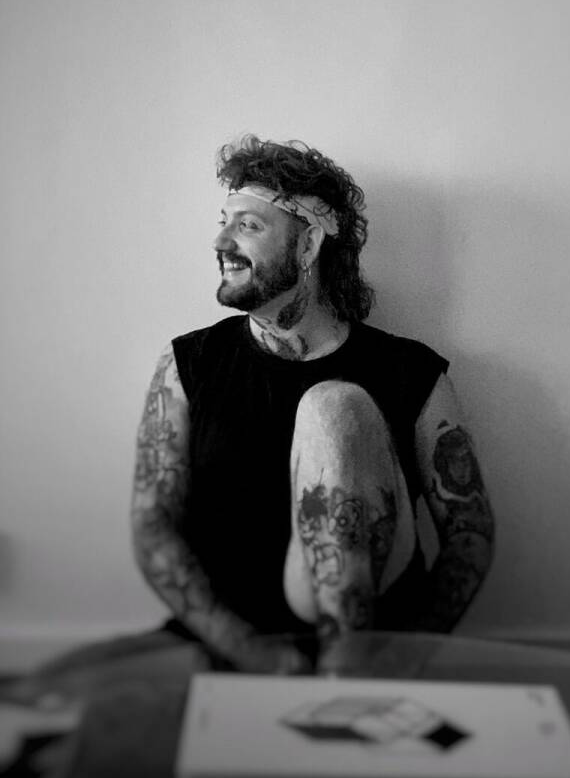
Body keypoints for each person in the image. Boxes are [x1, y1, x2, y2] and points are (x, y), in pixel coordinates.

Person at [131, 136, 494, 674]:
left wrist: (408, 653)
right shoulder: (189, 364)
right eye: (223, 221)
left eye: (248, 225)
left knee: (333, 408)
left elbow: (468, 532)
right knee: (56, 705)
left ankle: (344, 663)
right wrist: (247, 650)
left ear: (307, 246)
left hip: (371, 655)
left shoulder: (410, 372)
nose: (220, 241)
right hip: (229, 645)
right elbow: (153, 525)